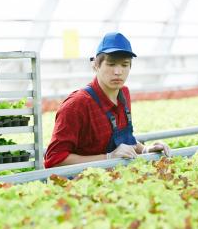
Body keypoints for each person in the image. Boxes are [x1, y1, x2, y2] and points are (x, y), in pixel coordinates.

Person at [44, 32, 170, 168]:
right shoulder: (77, 105)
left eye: (124, 64)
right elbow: (54, 160)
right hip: (83, 185)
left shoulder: (124, 94)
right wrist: (108, 158)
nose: (118, 71)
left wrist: (145, 150)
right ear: (96, 66)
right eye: (111, 64)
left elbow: (126, 140)